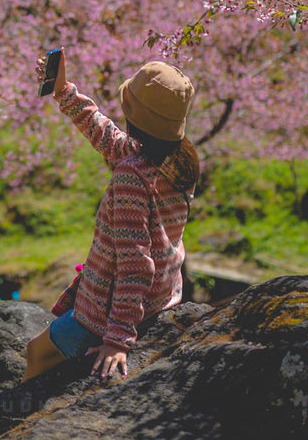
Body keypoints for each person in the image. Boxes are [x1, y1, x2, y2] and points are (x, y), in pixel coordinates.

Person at [23, 48, 199, 383]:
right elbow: (105, 135)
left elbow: (135, 263)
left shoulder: (131, 177)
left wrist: (117, 340)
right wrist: (63, 91)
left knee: (37, 353)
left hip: (108, 313)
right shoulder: (180, 158)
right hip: (162, 295)